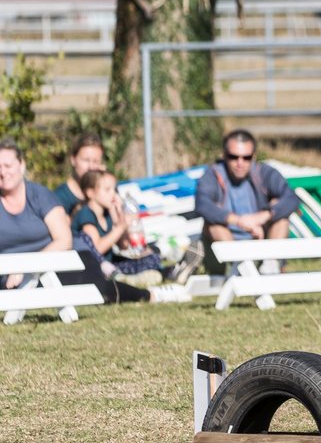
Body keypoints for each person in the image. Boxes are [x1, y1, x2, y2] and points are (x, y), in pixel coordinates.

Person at [1, 139, 189, 324]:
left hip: (58, 262)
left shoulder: (41, 196)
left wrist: (25, 268)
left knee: (97, 287)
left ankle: (153, 294)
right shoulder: (68, 199)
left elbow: (63, 239)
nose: (3, 172)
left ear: (21, 165)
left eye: (8, 165)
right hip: (9, 276)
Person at [194, 129, 300, 273]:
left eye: (246, 157)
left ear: (254, 157)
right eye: (233, 157)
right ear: (224, 156)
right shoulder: (212, 175)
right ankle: (237, 265)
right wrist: (238, 220)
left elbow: (291, 198)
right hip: (226, 241)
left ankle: (270, 264)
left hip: (259, 239)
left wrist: (261, 217)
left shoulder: (265, 173)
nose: (240, 163)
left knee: (281, 216)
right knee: (212, 224)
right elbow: (202, 204)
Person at [73, 169, 164, 288]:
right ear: (90, 192)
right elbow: (97, 248)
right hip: (94, 267)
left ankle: (130, 277)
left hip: (110, 263)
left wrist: (119, 217)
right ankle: (126, 279)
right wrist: (120, 227)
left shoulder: (107, 214)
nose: (113, 194)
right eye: (107, 190)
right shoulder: (86, 214)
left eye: (114, 189)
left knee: (152, 257)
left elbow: (124, 245)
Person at [52, 132, 105, 215]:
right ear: (73, 160)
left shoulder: (106, 194)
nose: (91, 167)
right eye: (86, 160)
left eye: (96, 161)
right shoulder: (60, 198)